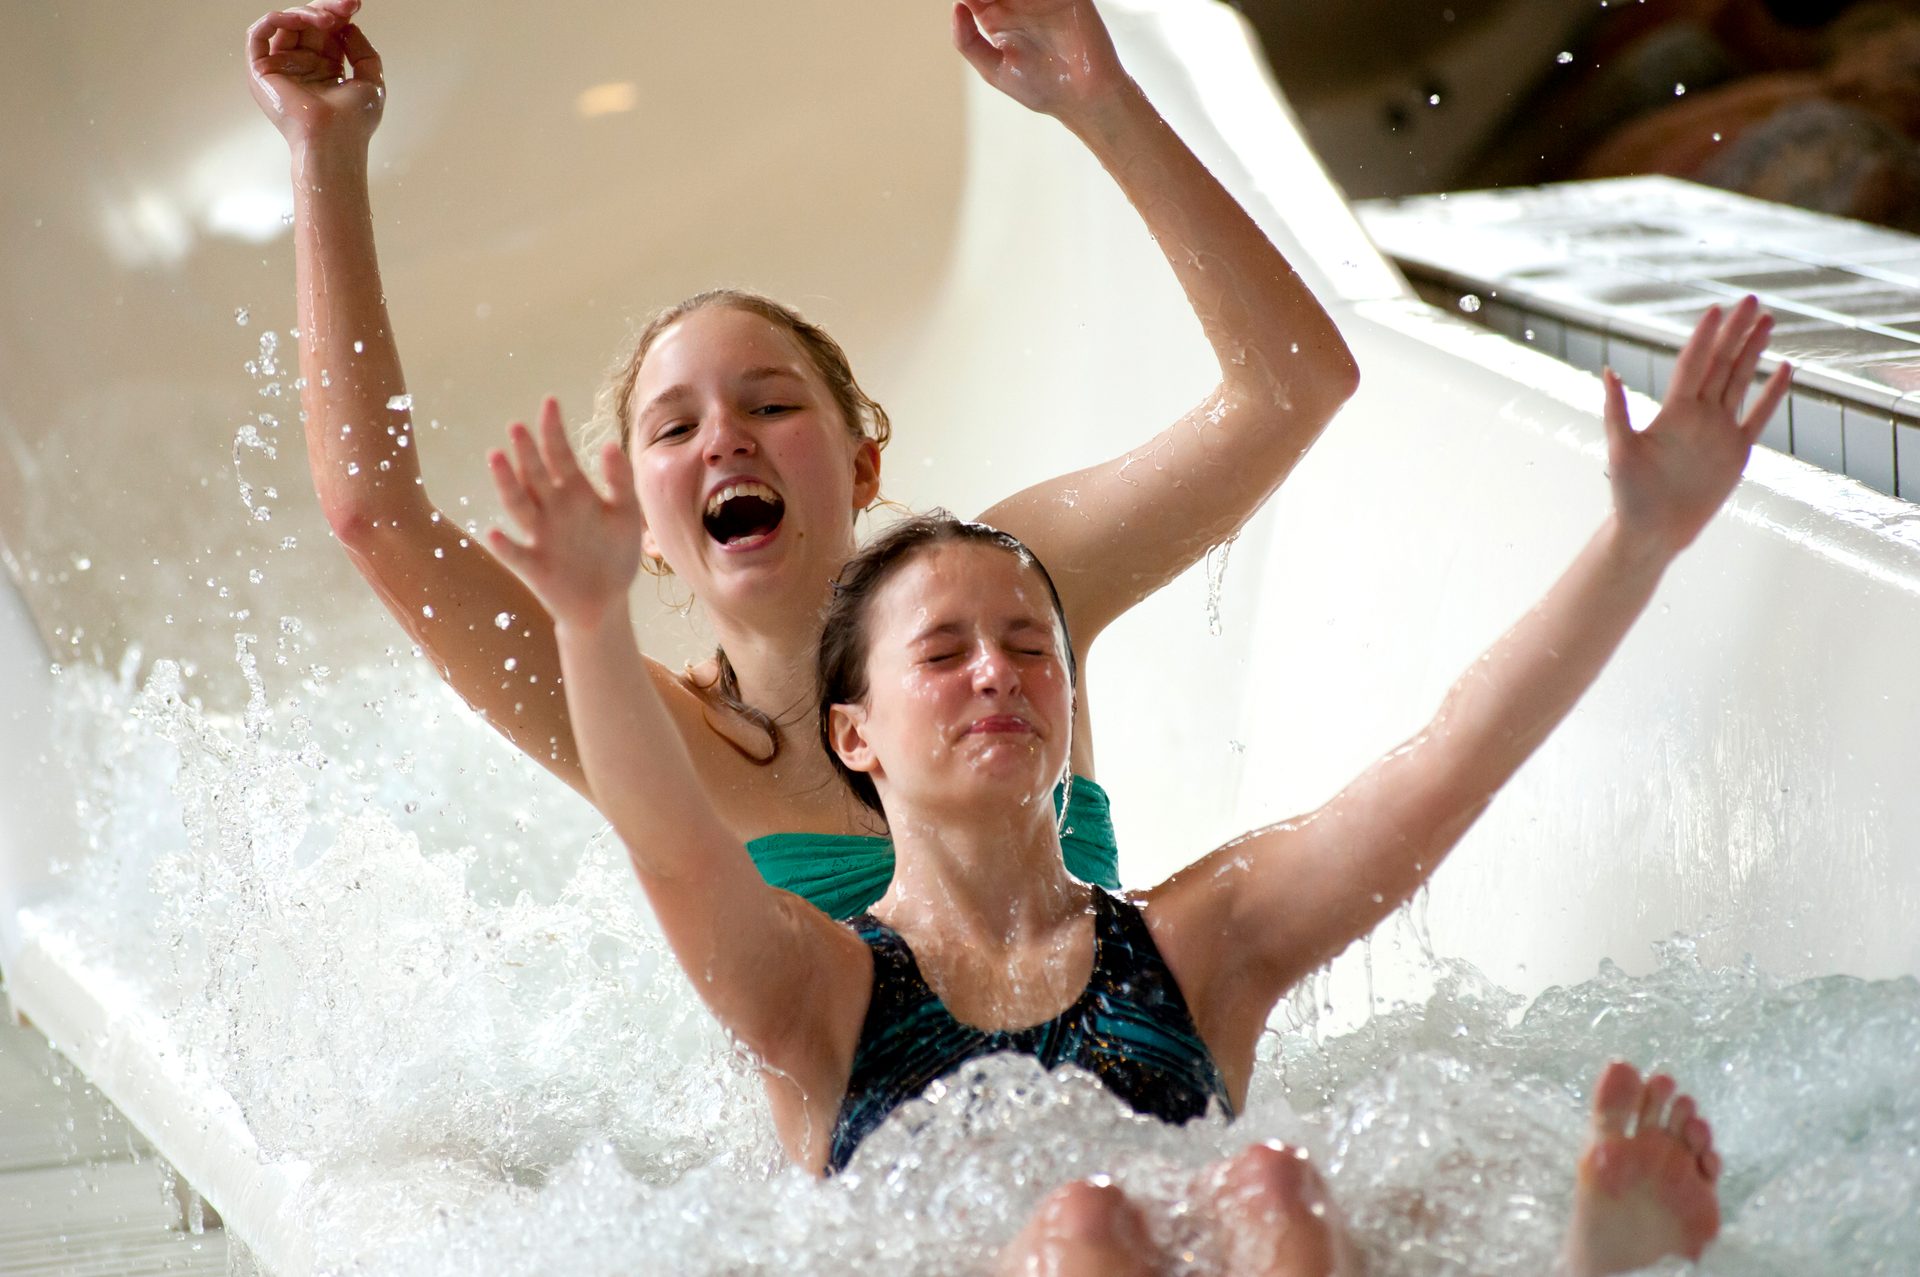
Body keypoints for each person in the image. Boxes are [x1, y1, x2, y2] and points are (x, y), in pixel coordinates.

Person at [483, 299, 1780, 1269]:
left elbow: (1448, 765)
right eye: (942, 652)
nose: (994, 671)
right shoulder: (817, 991)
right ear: (855, 734)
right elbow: (673, 846)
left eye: (1028, 645)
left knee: (1275, 1189)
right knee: (1086, 1228)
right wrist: (589, 625)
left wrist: (1636, 541)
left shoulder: (1197, 943)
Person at [244, 0, 1361, 916]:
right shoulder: (650, 735)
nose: (724, 437)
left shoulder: (1010, 599)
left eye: (770, 404)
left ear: (864, 466)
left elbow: (1293, 386)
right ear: (642, 522)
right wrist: (323, 150)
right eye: (673, 429)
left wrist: (1099, 102)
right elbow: (376, 518)